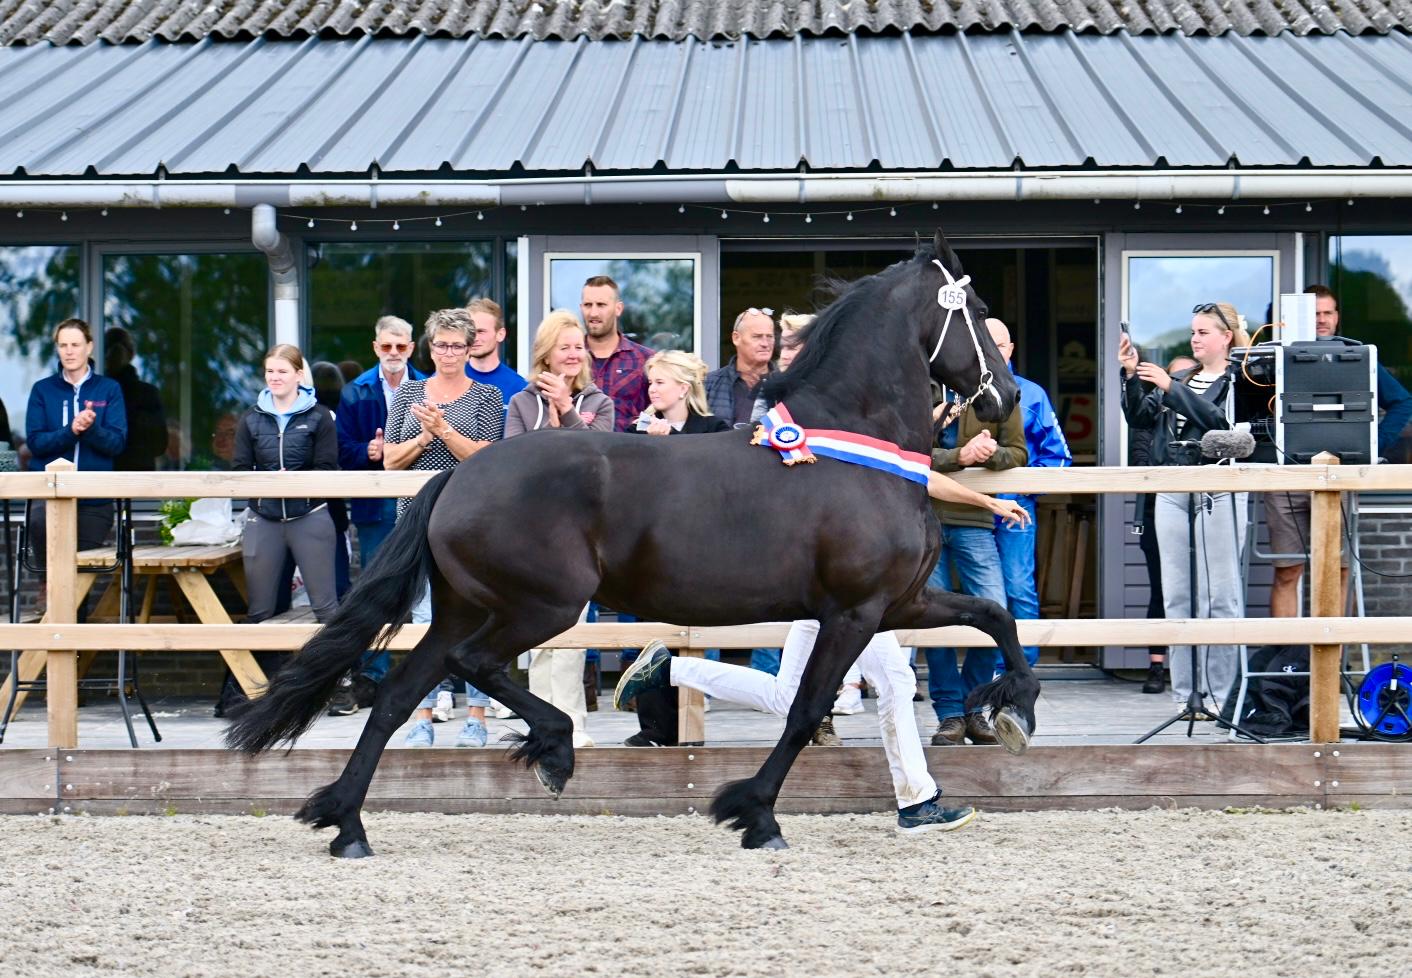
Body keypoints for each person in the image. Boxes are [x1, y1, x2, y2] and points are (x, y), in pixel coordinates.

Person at [615, 470, 1030, 832]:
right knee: (894, 684)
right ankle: (916, 802)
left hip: (842, 591)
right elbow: (921, 476)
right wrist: (987, 501)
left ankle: (670, 669)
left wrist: (986, 500)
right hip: (848, 592)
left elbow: (921, 475)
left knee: (793, 695)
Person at [1119, 302, 1250, 709]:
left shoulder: (1240, 380)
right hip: (1171, 488)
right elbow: (1140, 419)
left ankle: (1220, 697)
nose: (1195, 339)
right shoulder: (1179, 376)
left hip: (1218, 489)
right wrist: (1130, 375)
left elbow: (1223, 425)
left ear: (1226, 337)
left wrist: (1169, 388)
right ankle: (1186, 695)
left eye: (1203, 332)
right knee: (1177, 595)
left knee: (1220, 597)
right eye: (1192, 332)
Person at [384, 308, 504, 748]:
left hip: (474, 525)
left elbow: (489, 458)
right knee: (423, 617)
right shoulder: (410, 392)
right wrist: (423, 437)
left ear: (471, 347)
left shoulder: (488, 396)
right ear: (429, 347)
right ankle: (421, 714)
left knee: (478, 616)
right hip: (416, 521)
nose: (448, 353)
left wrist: (445, 430)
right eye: (440, 344)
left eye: (457, 345)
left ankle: (476, 716)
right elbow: (389, 459)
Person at [504, 310, 615, 747]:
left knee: (570, 633)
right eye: (564, 346)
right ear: (546, 354)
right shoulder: (520, 401)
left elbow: (602, 456)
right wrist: (547, 418)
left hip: (581, 536)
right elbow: (512, 461)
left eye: (577, 346)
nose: (573, 354)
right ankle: (540, 724)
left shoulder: (598, 403)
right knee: (535, 635)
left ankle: (573, 724)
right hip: (529, 531)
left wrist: (568, 411)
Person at [1265, 284, 1410, 618]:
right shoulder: (1277, 358)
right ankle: (1288, 661)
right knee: (1287, 571)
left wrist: (1371, 447)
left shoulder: (1355, 358)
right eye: (1314, 313)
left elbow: (1403, 401)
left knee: (1338, 570)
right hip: (1286, 477)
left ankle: (1335, 662)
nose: (1321, 320)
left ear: (1337, 317)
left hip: (1338, 475)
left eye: (1328, 312)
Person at [221, 344, 339, 713]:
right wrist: (265, 480)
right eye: (270, 371)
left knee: (326, 609)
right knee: (260, 610)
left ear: (299, 376)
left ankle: (335, 688)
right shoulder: (252, 418)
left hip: (310, 516)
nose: (275, 378)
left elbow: (328, 471)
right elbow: (239, 471)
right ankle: (250, 691)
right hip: (264, 519)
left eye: (282, 371)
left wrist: (295, 480)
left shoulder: (320, 417)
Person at [621, 350, 728, 747]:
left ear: (683, 387)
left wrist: (674, 445)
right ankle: (654, 728)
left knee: (691, 633)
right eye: (651, 382)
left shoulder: (714, 428)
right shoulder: (638, 431)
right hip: (649, 548)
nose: (652, 389)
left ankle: (688, 726)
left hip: (699, 548)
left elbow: (714, 484)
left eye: (660, 381)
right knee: (648, 633)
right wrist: (649, 447)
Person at [327, 316, 427, 717]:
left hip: (419, 497)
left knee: (425, 587)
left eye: (400, 347)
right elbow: (340, 450)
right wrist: (367, 453)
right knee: (374, 586)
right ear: (375, 347)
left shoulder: (427, 386)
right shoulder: (356, 391)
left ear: (411, 347)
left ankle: (431, 672)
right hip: (373, 503)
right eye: (386, 347)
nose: (393, 354)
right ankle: (374, 673)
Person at [924, 383, 1027, 746]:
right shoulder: (919, 384)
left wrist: (990, 453)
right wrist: (959, 457)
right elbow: (904, 453)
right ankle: (949, 712)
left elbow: (1018, 453)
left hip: (974, 520)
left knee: (994, 609)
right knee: (933, 618)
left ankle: (973, 707)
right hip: (924, 519)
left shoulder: (1001, 396)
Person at [986, 318, 1071, 670]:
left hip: (1015, 506)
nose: (993, 350)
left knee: (1018, 586)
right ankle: (985, 668)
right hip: (964, 508)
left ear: (1010, 349)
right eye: (985, 343)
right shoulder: (955, 390)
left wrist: (1023, 491)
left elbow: (1059, 457)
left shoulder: (1031, 394)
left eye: (999, 344)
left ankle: (1022, 670)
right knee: (980, 594)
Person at [25, 318, 127, 558]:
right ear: (57, 349)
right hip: (48, 494)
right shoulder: (43, 390)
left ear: (89, 347)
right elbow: (36, 443)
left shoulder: (108, 389)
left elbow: (117, 444)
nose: (69, 351)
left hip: (94, 498)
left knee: (82, 570)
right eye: (63, 345)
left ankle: (75, 597)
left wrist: (90, 428)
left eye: (75, 344)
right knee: (40, 530)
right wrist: (71, 431)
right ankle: (45, 586)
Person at [1131, 354, 1197, 695]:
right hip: (1156, 511)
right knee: (1162, 588)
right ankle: (1157, 665)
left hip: (1199, 506)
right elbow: (1142, 457)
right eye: (1174, 378)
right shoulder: (1153, 419)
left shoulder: (1201, 415)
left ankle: (1197, 665)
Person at [582, 275, 652, 432]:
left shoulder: (646, 360)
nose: (593, 313)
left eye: (601, 305)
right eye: (588, 305)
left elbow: (658, 413)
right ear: (581, 307)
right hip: (578, 451)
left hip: (629, 452)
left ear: (618, 308)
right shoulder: (569, 359)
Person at [102, 326, 167, 471]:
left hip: (135, 477)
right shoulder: (95, 393)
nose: (115, 354)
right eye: (111, 348)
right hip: (118, 477)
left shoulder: (147, 394)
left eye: (119, 348)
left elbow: (159, 444)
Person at [705, 307, 776, 425]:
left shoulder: (787, 385)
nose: (765, 344)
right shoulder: (708, 385)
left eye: (769, 336)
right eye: (757, 337)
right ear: (736, 338)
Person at [465, 297, 528, 409]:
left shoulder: (519, 387)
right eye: (470, 331)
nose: (474, 338)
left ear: (500, 334)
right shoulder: (448, 379)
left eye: (481, 331)